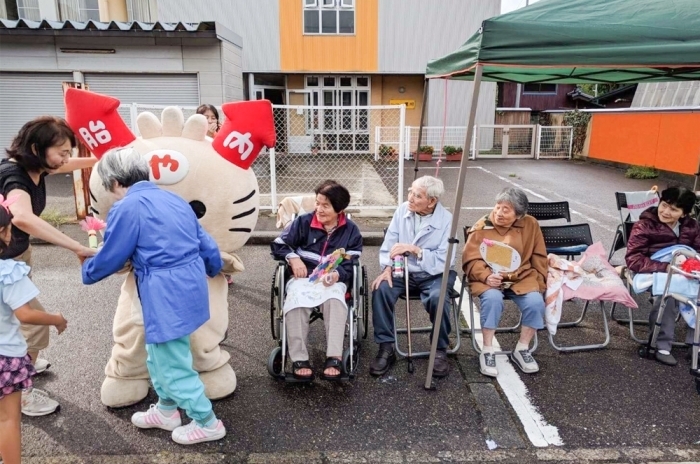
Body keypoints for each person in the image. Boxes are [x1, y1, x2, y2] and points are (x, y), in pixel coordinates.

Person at [81, 147, 226, 445]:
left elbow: (112, 255)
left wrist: (88, 269)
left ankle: (208, 422)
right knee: (159, 355)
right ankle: (167, 409)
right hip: (189, 284)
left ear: (114, 182)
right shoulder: (173, 198)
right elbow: (205, 243)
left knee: (171, 362)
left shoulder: (127, 207)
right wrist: (213, 267)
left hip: (163, 292)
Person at [0, 116, 96, 416]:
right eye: (62, 151)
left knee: (10, 323)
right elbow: (23, 218)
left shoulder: (37, 167)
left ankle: (18, 364)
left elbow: (65, 166)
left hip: (17, 256)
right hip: (5, 264)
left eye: (70, 152)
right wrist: (77, 247)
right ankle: (20, 391)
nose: (66, 158)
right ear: (36, 147)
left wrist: (102, 159)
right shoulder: (15, 177)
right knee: (34, 326)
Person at [270, 180, 362, 381]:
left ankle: (334, 356)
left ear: (340, 209)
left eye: (325, 205)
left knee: (335, 302)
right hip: (303, 278)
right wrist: (293, 259)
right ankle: (299, 358)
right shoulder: (303, 222)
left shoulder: (351, 231)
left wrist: (338, 274)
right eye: (317, 203)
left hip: (333, 280)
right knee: (296, 302)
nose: (318, 209)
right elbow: (279, 244)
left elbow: (352, 262)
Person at [0, 200, 68, 464]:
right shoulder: (8, 272)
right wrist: (56, 319)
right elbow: (25, 314)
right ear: (5, 233)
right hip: (6, 356)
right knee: (8, 419)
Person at [370, 175, 456, 378]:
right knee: (381, 289)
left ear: (432, 201)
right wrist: (387, 268)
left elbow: (446, 259)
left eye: (417, 195)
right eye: (410, 191)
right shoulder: (402, 210)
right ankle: (386, 346)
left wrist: (416, 250)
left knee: (438, 297)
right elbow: (390, 243)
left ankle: (439, 348)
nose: (410, 197)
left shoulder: (446, 221)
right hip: (402, 270)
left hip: (433, 273)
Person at [463, 187, 547, 378]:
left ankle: (523, 348)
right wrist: (485, 276)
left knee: (535, 302)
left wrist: (540, 283)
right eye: (498, 207)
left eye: (506, 210)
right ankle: (487, 350)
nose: (499, 213)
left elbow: (539, 255)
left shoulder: (530, 224)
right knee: (493, 300)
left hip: (522, 276)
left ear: (519, 215)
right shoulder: (483, 225)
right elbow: (470, 259)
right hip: (489, 278)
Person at [625, 186, 699, 366]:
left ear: (684, 214)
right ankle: (661, 345)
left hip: (685, 270)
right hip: (653, 270)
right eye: (664, 205)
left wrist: (692, 265)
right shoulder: (644, 225)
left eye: (674, 209)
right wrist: (666, 267)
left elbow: (697, 251)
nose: (665, 211)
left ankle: (695, 344)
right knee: (670, 293)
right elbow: (634, 259)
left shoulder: (692, 227)